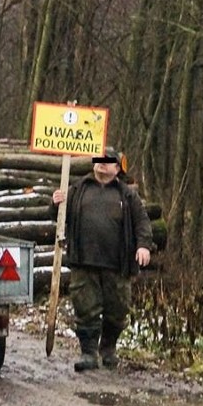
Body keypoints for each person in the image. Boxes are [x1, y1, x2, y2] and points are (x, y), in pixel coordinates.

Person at [50, 147, 153, 371]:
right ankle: (88, 353)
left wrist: (143, 246)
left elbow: (142, 223)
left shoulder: (127, 195)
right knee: (85, 309)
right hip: (84, 261)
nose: (102, 163)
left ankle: (108, 350)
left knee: (117, 311)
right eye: (99, 160)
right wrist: (56, 204)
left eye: (108, 161)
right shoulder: (78, 189)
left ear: (117, 168)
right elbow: (59, 219)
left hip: (117, 264)